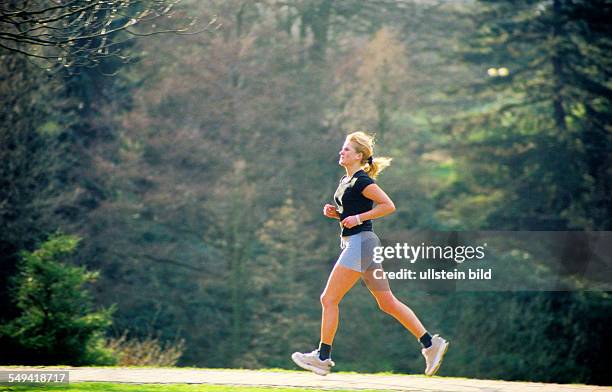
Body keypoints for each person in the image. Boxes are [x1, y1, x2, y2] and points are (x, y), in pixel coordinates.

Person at [291, 131, 449, 377]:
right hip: (361, 244)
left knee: (328, 299)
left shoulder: (363, 181)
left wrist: (358, 217)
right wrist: (339, 215)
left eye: (346, 149)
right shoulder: (347, 182)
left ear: (359, 156)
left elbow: (388, 205)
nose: (341, 152)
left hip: (360, 244)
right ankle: (430, 343)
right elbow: (352, 215)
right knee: (387, 302)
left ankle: (323, 356)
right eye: (342, 148)